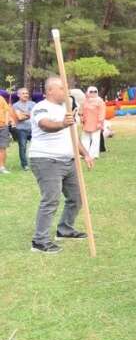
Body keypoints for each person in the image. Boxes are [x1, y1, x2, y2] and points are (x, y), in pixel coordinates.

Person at [28, 76, 96, 253]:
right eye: (62, 88)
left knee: (77, 197)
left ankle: (65, 229)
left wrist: (86, 154)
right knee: (50, 200)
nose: (65, 91)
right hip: (46, 160)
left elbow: (71, 135)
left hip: (69, 160)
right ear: (50, 90)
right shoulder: (41, 107)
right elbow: (45, 125)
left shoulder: (66, 108)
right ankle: (39, 241)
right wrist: (62, 123)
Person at [12, 88, 36, 170]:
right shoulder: (15, 105)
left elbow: (36, 115)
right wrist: (30, 114)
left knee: (36, 146)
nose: (26, 95)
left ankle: (35, 163)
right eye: (23, 93)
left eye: (27, 93)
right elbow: (19, 118)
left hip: (33, 129)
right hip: (21, 129)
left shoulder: (33, 104)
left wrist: (25, 114)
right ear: (18, 95)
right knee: (23, 147)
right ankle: (25, 165)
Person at [80, 86, 105, 159]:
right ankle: (84, 153)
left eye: (95, 91)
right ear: (87, 92)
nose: (93, 93)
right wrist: (81, 117)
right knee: (84, 138)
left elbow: (102, 112)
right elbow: (81, 110)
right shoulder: (85, 101)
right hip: (86, 122)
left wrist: (100, 122)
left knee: (95, 139)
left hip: (96, 123)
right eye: (91, 91)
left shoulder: (100, 101)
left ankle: (93, 154)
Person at [0, 94, 15, 173]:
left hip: (2, 127)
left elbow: (6, 111)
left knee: (2, 148)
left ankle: (2, 167)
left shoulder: (1, 98)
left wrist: (6, 124)